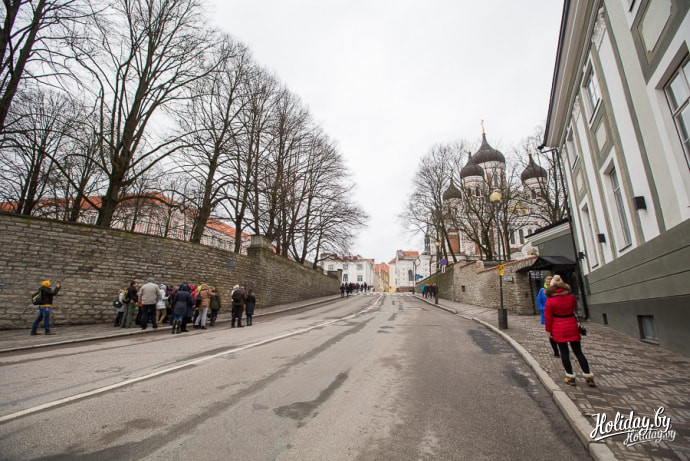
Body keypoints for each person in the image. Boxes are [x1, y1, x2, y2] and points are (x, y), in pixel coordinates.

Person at [544, 275, 595, 387]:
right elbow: (574, 309)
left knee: (564, 353)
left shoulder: (550, 300)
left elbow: (548, 318)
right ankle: (588, 376)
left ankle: (570, 377)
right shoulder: (571, 298)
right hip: (571, 324)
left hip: (558, 326)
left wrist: (548, 330)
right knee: (578, 352)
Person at [537, 275, 559, 357]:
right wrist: (542, 309)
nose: (548, 282)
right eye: (547, 281)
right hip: (546, 313)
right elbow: (539, 300)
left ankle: (560, 347)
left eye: (549, 281)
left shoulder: (556, 290)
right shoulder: (542, 290)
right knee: (550, 332)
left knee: (557, 332)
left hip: (556, 314)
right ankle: (556, 351)